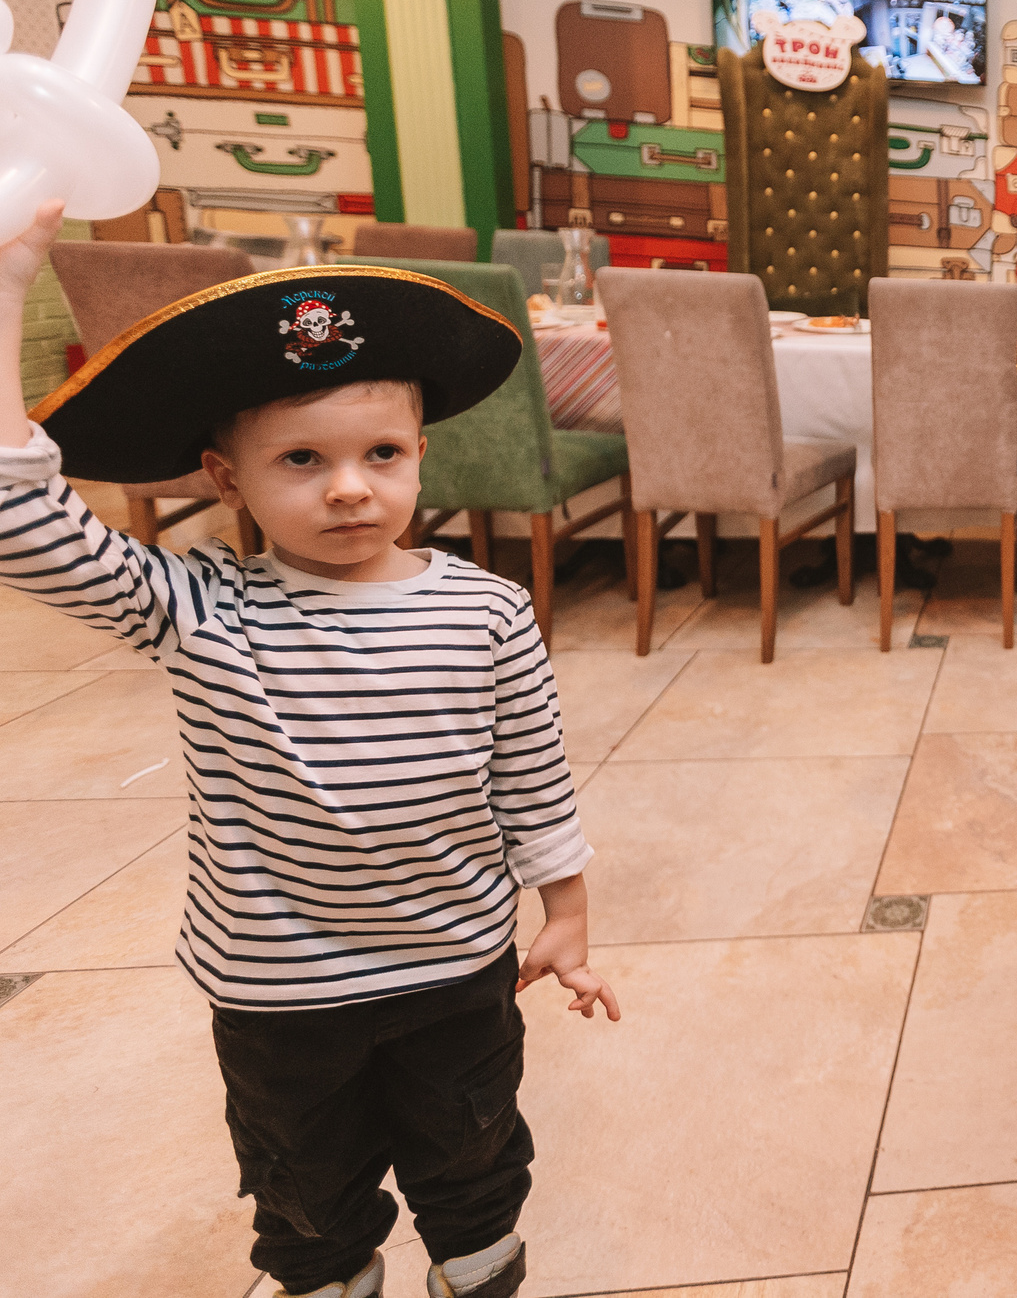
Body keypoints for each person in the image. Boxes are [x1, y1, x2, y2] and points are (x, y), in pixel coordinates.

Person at [0, 220, 619, 1298]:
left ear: (421, 453)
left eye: (380, 453)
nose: (348, 489)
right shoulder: (197, 608)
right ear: (224, 478)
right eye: (301, 459)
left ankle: (477, 1270)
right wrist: (8, 281)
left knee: (474, 1162)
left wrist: (565, 911)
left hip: (455, 972)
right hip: (280, 993)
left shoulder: (487, 611)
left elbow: (532, 773)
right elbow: (19, 520)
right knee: (303, 1186)